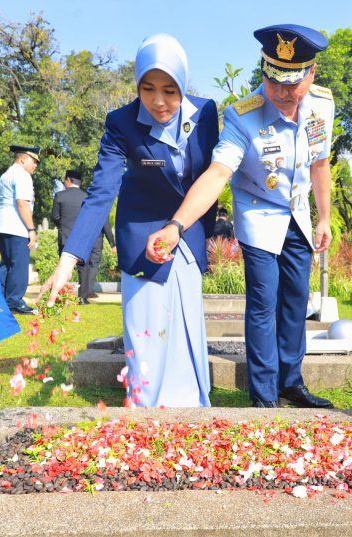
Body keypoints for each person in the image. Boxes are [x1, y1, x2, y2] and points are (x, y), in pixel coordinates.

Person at [146, 24, 335, 409]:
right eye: (273, 81)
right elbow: (217, 174)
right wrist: (176, 224)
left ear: (312, 74)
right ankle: (264, 397)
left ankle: (290, 382)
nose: (282, 92)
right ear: (263, 72)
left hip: (296, 214)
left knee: (297, 301)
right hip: (259, 216)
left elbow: (320, 164)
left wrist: (324, 218)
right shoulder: (242, 117)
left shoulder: (322, 106)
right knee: (264, 304)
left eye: (292, 83)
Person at [39, 34, 218, 407]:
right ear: (136, 85)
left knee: (186, 325)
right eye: (148, 88)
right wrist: (68, 259)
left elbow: (213, 177)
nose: (158, 101)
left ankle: (190, 410)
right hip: (141, 238)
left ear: (183, 84)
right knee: (148, 329)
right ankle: (146, 409)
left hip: (187, 235)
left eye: (170, 90)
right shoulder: (121, 122)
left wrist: (195, 231)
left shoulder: (206, 114)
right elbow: (102, 192)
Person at [51, 170, 115, 304]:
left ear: (68, 180)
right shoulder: (87, 196)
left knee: (64, 267)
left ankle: (60, 295)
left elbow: (55, 217)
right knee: (83, 268)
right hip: (83, 236)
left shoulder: (59, 196)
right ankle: (82, 297)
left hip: (66, 236)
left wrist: (63, 226)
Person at [0, 144, 40, 315]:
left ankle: (1, 300)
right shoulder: (22, 175)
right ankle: (15, 302)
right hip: (16, 226)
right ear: (24, 158)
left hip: (3, 224)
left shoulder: (6, 175)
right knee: (18, 265)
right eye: (34, 161)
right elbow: (22, 203)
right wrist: (31, 229)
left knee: (7, 264)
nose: (35, 166)